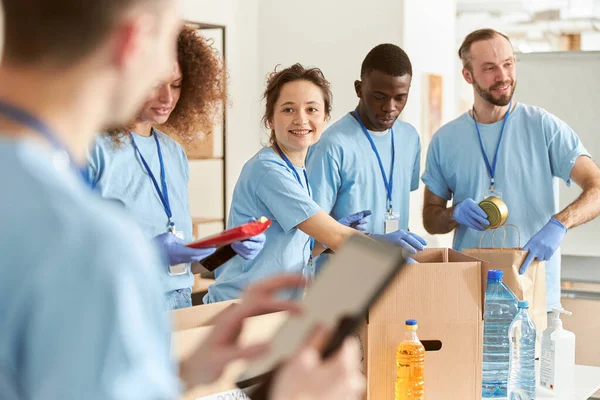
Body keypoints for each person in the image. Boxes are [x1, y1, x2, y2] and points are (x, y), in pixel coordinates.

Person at [0, 0, 365, 398]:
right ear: (134, 42)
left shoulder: (36, 189)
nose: (168, 90)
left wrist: (187, 373)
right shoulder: (90, 240)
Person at [421, 28, 600, 312]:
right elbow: (430, 219)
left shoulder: (544, 127)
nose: (503, 76)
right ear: (468, 75)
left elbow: (597, 188)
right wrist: (453, 214)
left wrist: (560, 223)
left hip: (535, 297)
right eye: (490, 68)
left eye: (508, 64)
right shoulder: (446, 140)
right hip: (470, 301)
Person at [88, 26, 266, 310]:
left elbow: (186, 264)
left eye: (176, 84)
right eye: (154, 83)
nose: (167, 98)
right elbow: (72, 255)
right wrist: (148, 252)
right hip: (122, 306)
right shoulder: (94, 148)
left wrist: (227, 250)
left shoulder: (173, 154)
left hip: (178, 305)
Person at [205, 64, 377, 303]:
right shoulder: (268, 170)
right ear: (270, 120)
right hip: (240, 310)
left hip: (275, 309)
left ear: (325, 117)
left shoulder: (297, 169)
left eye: (312, 109)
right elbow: (338, 237)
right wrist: (385, 247)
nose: (301, 119)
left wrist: (322, 244)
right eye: (288, 109)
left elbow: (293, 250)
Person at [306, 44, 427, 273]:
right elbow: (312, 235)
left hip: (392, 277)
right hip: (340, 282)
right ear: (359, 88)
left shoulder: (410, 138)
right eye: (379, 96)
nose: (389, 108)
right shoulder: (331, 145)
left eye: (400, 98)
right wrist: (373, 242)